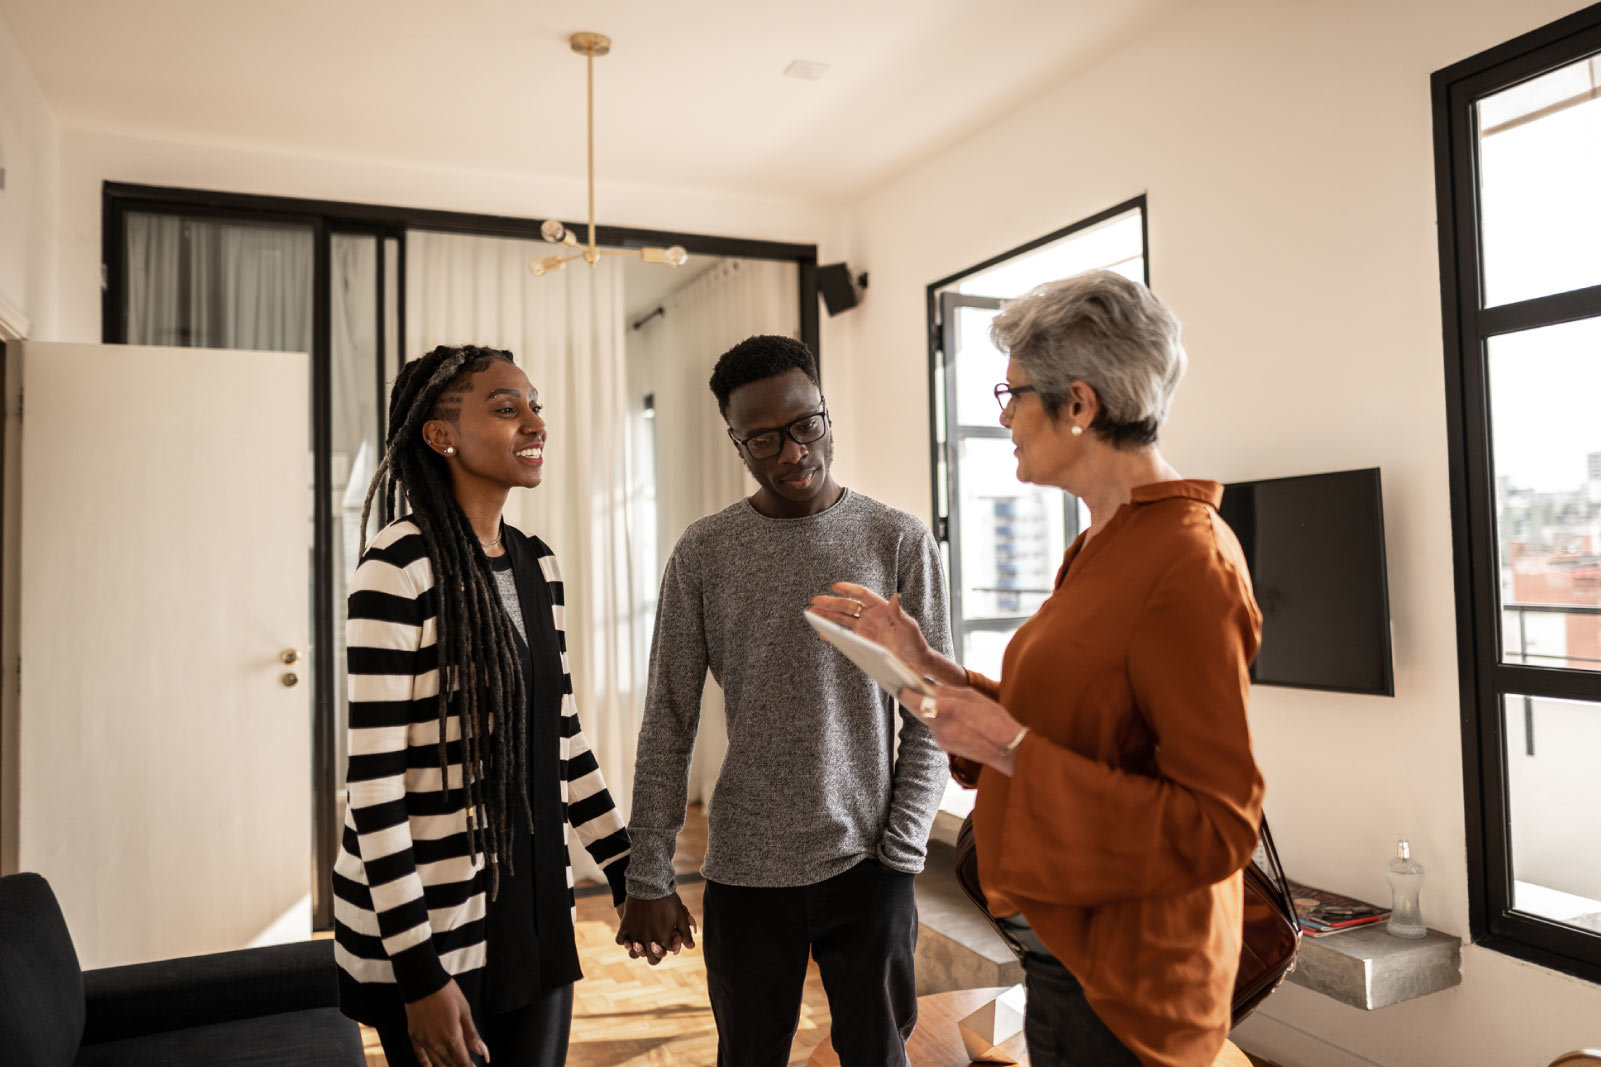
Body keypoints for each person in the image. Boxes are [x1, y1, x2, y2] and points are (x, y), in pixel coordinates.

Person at [811, 271, 1264, 1067]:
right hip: (1069, 953)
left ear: (1079, 404)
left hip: (1134, 993)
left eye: (1012, 393)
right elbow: (1069, 721)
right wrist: (926, 665)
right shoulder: (1101, 541)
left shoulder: (1189, 561)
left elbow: (1218, 825)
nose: (1003, 417)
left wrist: (1012, 747)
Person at [618, 335, 952, 1067]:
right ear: (735, 441)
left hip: (867, 862)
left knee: (878, 1056)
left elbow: (929, 708)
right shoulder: (704, 551)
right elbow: (668, 718)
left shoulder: (894, 538)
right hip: (742, 870)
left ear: (825, 414)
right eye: (763, 439)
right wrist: (648, 870)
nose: (793, 453)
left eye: (807, 425)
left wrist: (900, 851)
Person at [333, 344, 631, 1067]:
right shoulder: (395, 569)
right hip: (430, 928)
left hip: (534, 908)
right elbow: (372, 791)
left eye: (535, 405)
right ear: (440, 435)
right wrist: (419, 972)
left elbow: (560, 731)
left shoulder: (539, 563)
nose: (534, 422)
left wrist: (625, 867)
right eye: (506, 408)